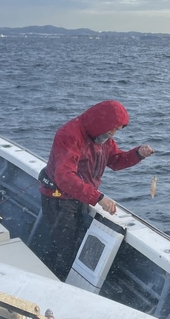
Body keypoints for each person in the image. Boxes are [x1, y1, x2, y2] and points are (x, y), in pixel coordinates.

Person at [39, 100, 154, 280]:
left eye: (116, 130)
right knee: (65, 250)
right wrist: (99, 198)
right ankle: (55, 281)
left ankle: (56, 274)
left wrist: (137, 153)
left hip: (81, 197)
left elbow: (115, 160)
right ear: (102, 123)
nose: (113, 134)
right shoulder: (69, 134)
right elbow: (65, 177)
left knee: (72, 245)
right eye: (112, 129)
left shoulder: (103, 138)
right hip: (58, 199)